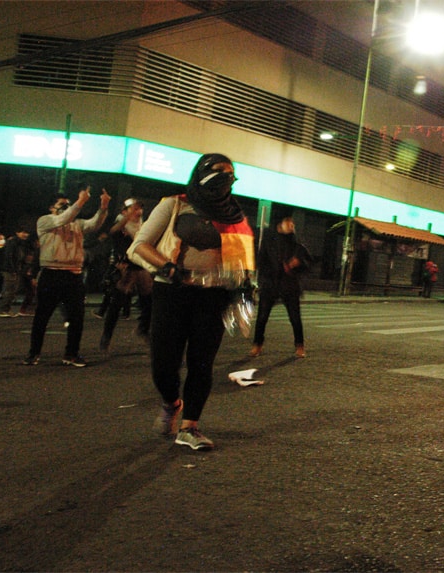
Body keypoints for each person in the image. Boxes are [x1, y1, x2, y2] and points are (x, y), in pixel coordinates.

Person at [128, 153, 254, 450]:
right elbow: (139, 246)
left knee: (202, 363)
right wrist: (166, 267)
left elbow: (241, 263)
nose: (225, 177)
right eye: (218, 171)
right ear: (201, 172)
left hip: (214, 295)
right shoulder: (174, 204)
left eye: (231, 173)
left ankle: (190, 427)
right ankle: (172, 402)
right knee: (164, 365)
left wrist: (242, 287)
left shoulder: (234, 215)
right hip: (172, 291)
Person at [23, 183, 110, 367]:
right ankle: (34, 353)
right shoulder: (45, 221)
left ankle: (71, 354)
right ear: (51, 208)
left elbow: (94, 224)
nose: (67, 208)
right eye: (62, 205)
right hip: (51, 273)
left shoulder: (76, 224)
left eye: (68, 204)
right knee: (42, 316)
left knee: (77, 317)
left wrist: (103, 208)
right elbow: (62, 219)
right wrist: (79, 202)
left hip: (73, 275)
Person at [249, 215, 312, 358]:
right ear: (280, 224)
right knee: (262, 317)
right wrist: (273, 272)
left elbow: (308, 264)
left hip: (290, 286)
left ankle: (300, 345)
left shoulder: (297, 244)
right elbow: (261, 262)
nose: (291, 225)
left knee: (295, 318)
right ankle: (257, 345)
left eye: (293, 223)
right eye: (288, 222)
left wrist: (298, 264)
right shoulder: (269, 241)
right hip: (270, 285)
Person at [100, 198, 153, 357]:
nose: (138, 212)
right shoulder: (121, 226)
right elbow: (113, 231)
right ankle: (106, 337)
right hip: (126, 267)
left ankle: (143, 329)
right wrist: (126, 218)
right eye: (134, 209)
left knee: (148, 302)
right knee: (117, 303)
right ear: (124, 211)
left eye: (139, 209)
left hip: (141, 266)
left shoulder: (143, 226)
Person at [0, 227, 37, 317]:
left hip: (14, 269)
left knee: (12, 290)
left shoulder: (21, 243)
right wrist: (13, 269)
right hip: (10, 269)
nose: (25, 235)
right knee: (10, 290)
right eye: (23, 232)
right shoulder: (13, 242)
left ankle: (6, 309)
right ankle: (3, 310)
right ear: (17, 233)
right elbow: (9, 256)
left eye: (26, 233)